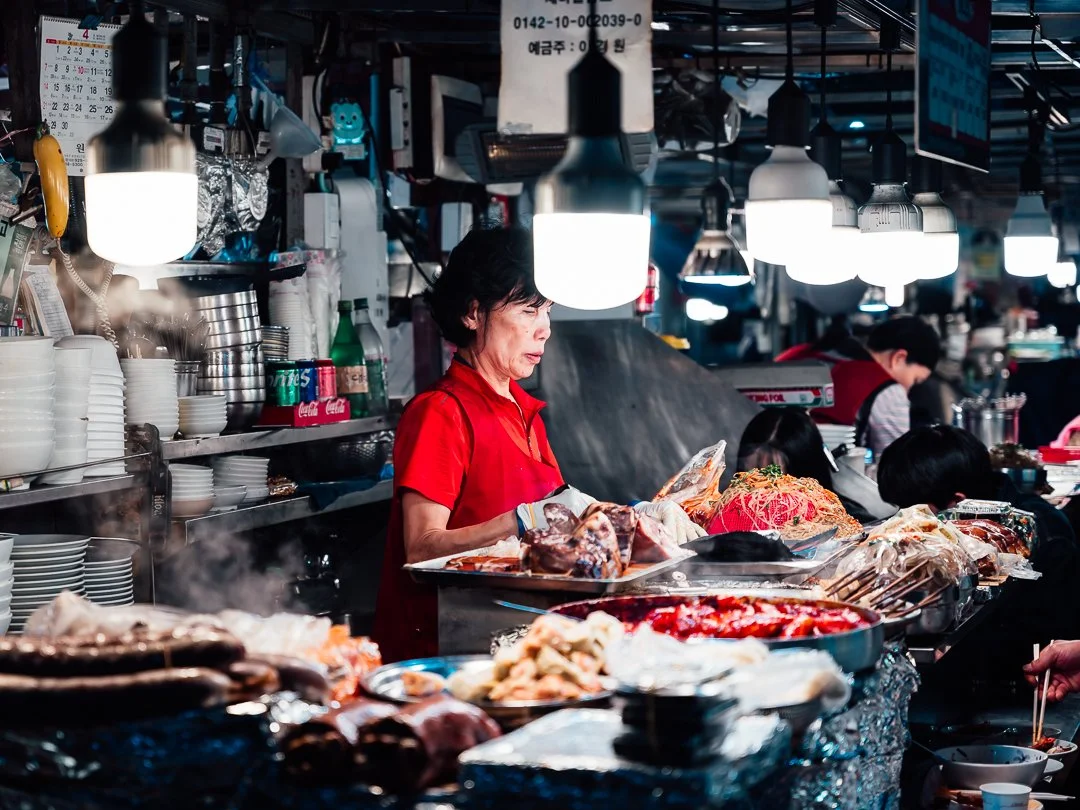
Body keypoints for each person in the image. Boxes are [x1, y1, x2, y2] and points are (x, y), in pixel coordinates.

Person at [373, 227, 700, 663]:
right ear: (473, 313)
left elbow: (559, 532)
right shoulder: (441, 412)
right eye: (529, 310)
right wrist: (522, 520)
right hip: (445, 654)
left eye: (547, 310)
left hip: (518, 640)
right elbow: (421, 547)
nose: (545, 329)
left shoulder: (525, 413)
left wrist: (628, 519)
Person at [878, 425, 1080, 669]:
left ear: (957, 503)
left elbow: (1018, 645)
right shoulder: (987, 494)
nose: (905, 519)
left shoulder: (1039, 535)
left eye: (914, 510)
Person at [777, 316, 941, 461]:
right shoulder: (889, 391)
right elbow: (896, 470)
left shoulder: (796, 354)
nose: (909, 390)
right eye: (915, 380)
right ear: (899, 358)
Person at [736, 407, 876, 523]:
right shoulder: (731, 519)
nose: (757, 493)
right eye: (747, 476)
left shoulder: (848, 522)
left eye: (770, 475)